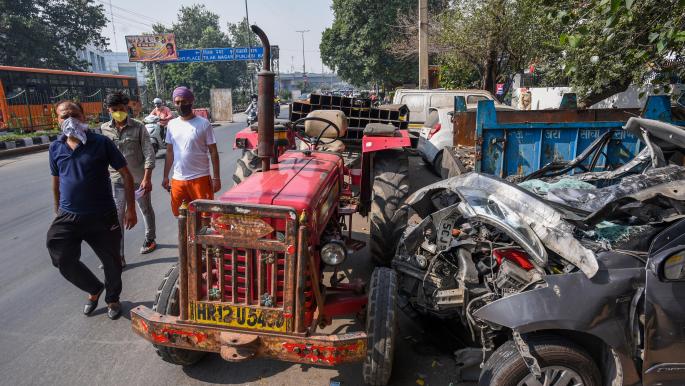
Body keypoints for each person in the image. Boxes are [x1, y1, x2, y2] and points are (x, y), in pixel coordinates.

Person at [46, 100, 137, 320]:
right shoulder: (55, 147)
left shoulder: (101, 143)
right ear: (57, 121)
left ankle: (113, 299)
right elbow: (56, 181)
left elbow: (126, 174)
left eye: (74, 115)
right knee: (61, 256)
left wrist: (130, 209)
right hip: (69, 215)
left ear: (84, 117)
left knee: (112, 261)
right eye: (64, 116)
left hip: (102, 215)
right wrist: (57, 209)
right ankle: (94, 288)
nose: (70, 120)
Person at [101, 91, 157, 263]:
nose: (119, 112)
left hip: (138, 180)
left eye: (122, 108)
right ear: (108, 110)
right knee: (118, 217)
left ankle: (150, 238)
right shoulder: (104, 129)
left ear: (127, 108)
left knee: (145, 209)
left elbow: (149, 152)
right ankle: (119, 255)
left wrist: (147, 178)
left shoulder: (138, 127)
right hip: (117, 181)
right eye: (115, 109)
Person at [162, 86, 221, 216]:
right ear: (173, 103)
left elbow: (213, 152)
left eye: (184, 102)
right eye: (177, 102)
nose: (181, 105)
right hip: (178, 180)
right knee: (181, 216)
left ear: (191, 102)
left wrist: (216, 178)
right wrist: (165, 176)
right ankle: (186, 237)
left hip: (200, 179)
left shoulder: (204, 124)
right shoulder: (171, 125)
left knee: (204, 217)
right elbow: (169, 152)